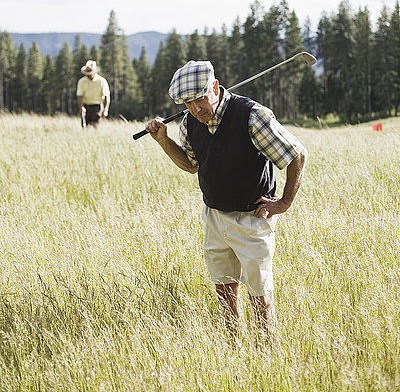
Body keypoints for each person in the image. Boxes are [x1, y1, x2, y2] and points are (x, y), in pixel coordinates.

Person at [145, 60, 307, 342]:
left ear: (216, 88)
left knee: (259, 295)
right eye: (187, 103)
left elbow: (296, 155)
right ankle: (234, 349)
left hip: (252, 219)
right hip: (214, 217)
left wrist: (283, 203)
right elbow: (192, 165)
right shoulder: (189, 123)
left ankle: (266, 354)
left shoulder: (251, 116)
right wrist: (163, 140)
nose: (195, 109)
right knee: (225, 292)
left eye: (200, 99)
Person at [76, 60, 110, 127]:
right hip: (86, 106)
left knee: (96, 127)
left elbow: (107, 96)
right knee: (85, 128)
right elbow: (80, 96)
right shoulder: (81, 81)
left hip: (97, 108)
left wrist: (106, 109)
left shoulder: (102, 81)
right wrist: (81, 108)